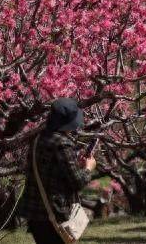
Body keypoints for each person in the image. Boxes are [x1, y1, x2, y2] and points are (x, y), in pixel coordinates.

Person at [21, 98, 96, 244]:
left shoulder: (38, 139)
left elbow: (51, 172)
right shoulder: (62, 143)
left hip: (34, 212)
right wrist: (88, 167)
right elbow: (78, 182)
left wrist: (76, 165)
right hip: (54, 213)